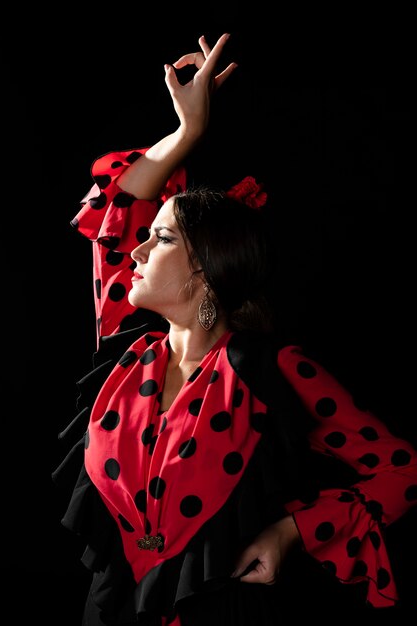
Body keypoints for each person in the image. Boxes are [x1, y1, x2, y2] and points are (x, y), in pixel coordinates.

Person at [53, 33, 417, 626]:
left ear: (205, 270)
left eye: (164, 237)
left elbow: (400, 469)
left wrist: (288, 534)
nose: (140, 249)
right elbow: (114, 209)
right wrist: (187, 133)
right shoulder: (123, 352)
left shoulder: (270, 371)